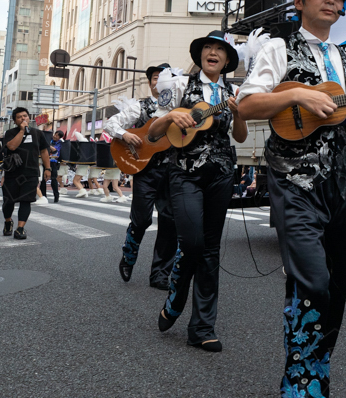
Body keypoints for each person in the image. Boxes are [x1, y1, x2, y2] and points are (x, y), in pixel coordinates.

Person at [238, 0, 346, 397]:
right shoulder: (278, 48)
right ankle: (300, 384)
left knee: (336, 290)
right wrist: (295, 93)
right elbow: (246, 105)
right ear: (299, 0)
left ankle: (315, 374)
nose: (333, 0)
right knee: (313, 281)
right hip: (294, 185)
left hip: (340, 189)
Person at [149, 33, 247, 351]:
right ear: (200, 54)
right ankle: (176, 298)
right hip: (184, 174)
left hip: (221, 174)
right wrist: (170, 116)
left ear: (228, 59)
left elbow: (241, 137)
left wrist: (241, 114)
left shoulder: (234, 92)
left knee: (210, 250)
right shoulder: (179, 86)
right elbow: (152, 133)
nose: (213, 52)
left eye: (219, 49)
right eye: (208, 47)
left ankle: (202, 327)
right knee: (192, 242)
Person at [106, 62, 178, 290]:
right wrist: (125, 135)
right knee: (142, 219)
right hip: (146, 170)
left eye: (164, 78)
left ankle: (160, 274)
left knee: (170, 222)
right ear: (150, 83)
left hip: (174, 171)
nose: (159, 82)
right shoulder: (141, 106)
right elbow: (111, 124)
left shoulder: (180, 108)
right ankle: (128, 256)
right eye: (155, 78)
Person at [1, 107, 51, 240]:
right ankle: (8, 222)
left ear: (29, 117)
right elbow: (11, 147)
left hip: (31, 173)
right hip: (12, 173)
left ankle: (20, 228)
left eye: (25, 116)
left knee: (26, 201)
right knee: (8, 201)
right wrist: (22, 131)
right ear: (15, 121)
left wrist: (48, 168)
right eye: (19, 117)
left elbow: (44, 151)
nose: (23, 118)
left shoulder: (38, 133)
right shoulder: (10, 133)